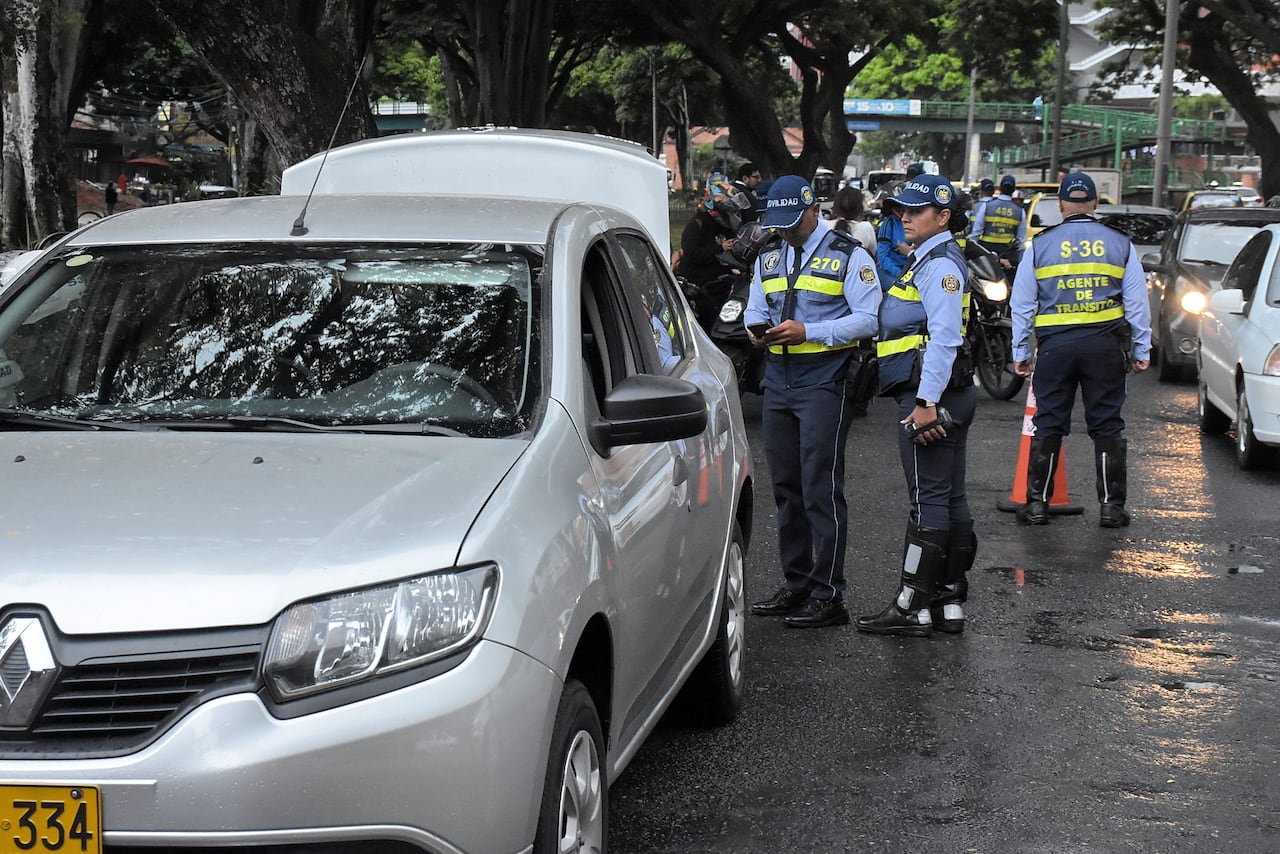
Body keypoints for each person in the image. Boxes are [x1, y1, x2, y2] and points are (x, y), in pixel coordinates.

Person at [744, 176, 881, 628]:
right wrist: (755, 327)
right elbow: (755, 306)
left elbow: (868, 319)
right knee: (786, 488)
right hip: (778, 380)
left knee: (819, 487)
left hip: (824, 378)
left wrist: (811, 332)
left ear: (812, 210)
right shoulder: (768, 254)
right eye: (775, 223)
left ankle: (829, 595)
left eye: (789, 221)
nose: (782, 231)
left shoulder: (849, 255)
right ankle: (797, 584)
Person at [856, 173, 978, 638]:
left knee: (929, 501)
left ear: (943, 216)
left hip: (932, 396)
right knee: (949, 498)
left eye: (914, 210)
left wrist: (926, 403)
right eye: (900, 208)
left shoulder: (940, 266)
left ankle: (911, 605)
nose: (902, 215)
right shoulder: (926, 259)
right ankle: (945, 603)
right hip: (938, 393)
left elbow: (944, 340)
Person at [1010, 171, 1151, 528]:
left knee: (1049, 423)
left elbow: (1022, 304)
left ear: (1060, 205)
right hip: (1104, 346)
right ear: (1096, 203)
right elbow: (1137, 303)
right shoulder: (1119, 243)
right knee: (1107, 424)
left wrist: (1020, 352)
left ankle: (1037, 505)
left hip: (1056, 347)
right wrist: (1141, 348)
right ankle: (1111, 509)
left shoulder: (1041, 245)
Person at [829, 185, 880, 417]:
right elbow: (874, 256)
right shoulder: (866, 229)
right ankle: (859, 399)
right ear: (859, 207)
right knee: (864, 349)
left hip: (832, 299)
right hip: (859, 298)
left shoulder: (823, 227)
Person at [675, 175, 743, 320]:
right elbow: (692, 253)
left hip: (720, 287)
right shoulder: (697, 225)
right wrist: (720, 248)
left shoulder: (725, 227)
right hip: (698, 288)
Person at [971, 174, 1026, 269]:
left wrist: (972, 254)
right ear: (1013, 190)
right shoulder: (1020, 211)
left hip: (987, 255)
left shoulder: (987, 206)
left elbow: (976, 233)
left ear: (1000, 188)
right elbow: (1021, 240)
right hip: (1008, 256)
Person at [876, 196, 913, 286]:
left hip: (912, 271)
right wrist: (900, 274)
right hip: (891, 272)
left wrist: (909, 251)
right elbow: (882, 256)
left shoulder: (916, 221)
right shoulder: (889, 223)